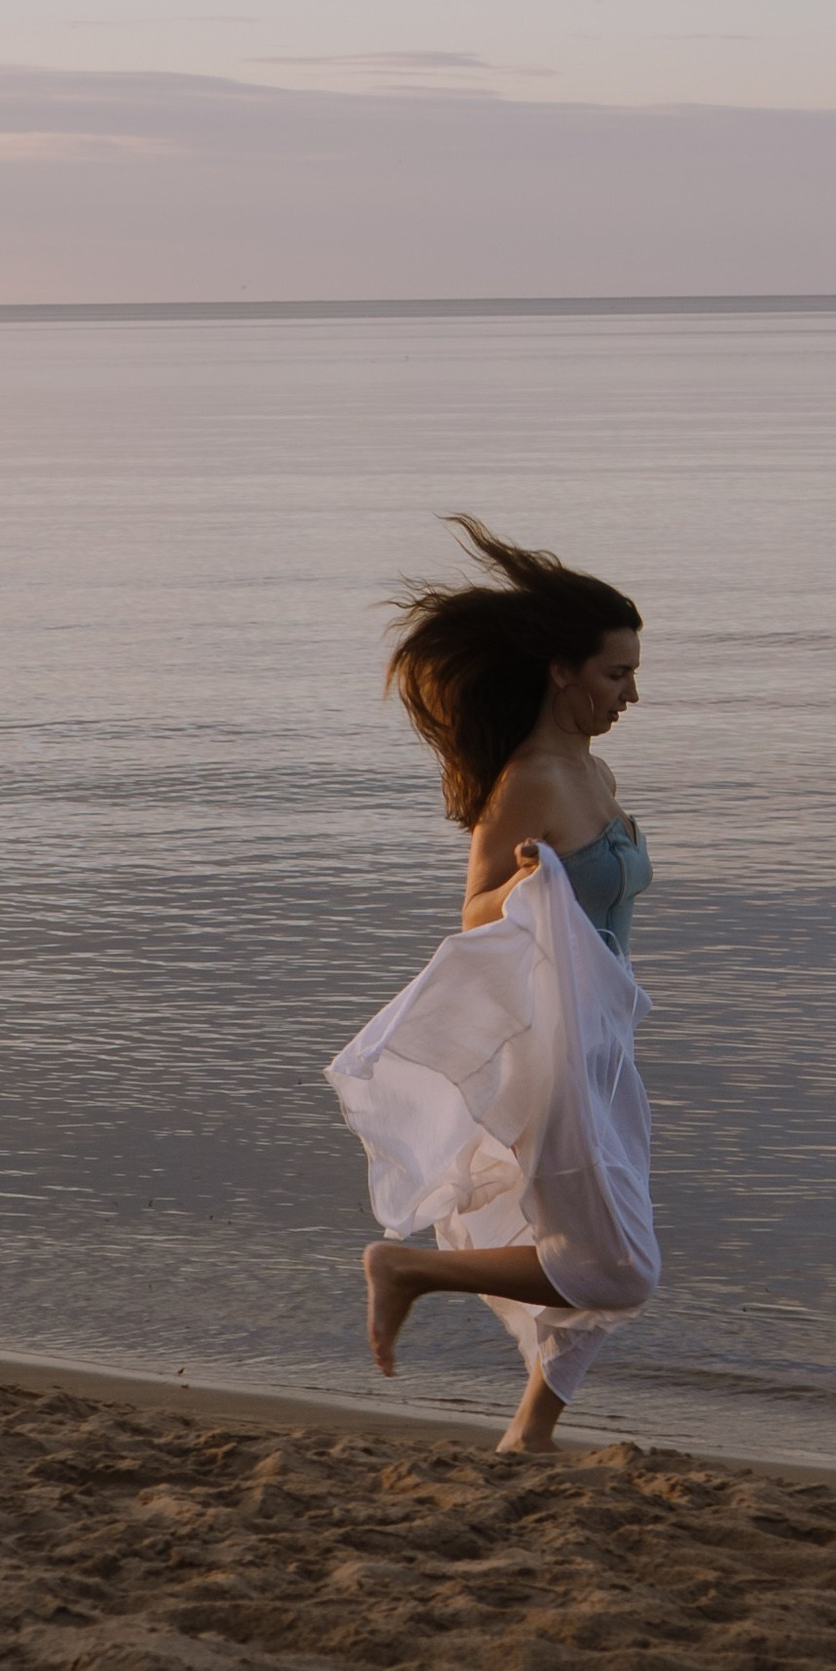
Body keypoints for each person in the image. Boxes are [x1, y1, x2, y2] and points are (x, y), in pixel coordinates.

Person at [326, 518, 659, 1456]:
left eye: (633, 673)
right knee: (616, 1266)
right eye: (615, 674)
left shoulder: (593, 768)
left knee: (597, 1233)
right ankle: (405, 1269)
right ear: (562, 671)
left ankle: (527, 1437)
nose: (631, 693)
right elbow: (476, 909)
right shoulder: (530, 780)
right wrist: (524, 883)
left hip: (605, 1039)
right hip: (552, 1047)